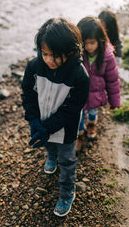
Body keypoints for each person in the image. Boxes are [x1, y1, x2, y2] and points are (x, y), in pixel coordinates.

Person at [21, 18, 89, 216]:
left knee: (67, 160)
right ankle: (51, 157)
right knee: (48, 144)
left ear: (69, 51)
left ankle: (67, 192)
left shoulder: (79, 75)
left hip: (66, 129)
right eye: (45, 54)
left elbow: (72, 109)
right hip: (41, 123)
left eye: (55, 56)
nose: (49, 60)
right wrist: (34, 120)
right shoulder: (34, 67)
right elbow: (28, 94)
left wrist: (48, 127)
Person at [75, 16, 120, 152]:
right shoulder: (76, 54)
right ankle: (80, 134)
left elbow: (113, 80)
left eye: (92, 43)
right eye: (84, 43)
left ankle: (92, 124)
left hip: (96, 94)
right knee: (79, 116)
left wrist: (114, 101)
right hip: (79, 94)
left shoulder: (107, 56)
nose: (88, 47)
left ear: (100, 40)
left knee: (93, 112)